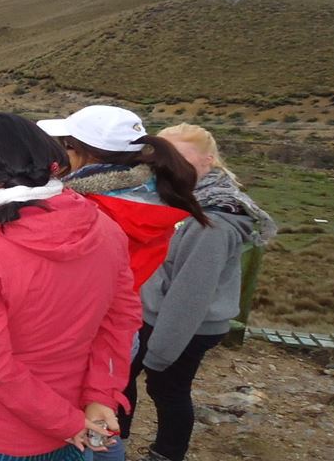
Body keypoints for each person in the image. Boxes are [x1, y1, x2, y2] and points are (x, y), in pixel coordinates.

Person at [0, 113, 140, 461]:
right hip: (73, 410)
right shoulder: (105, 228)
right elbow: (121, 321)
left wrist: (67, 422)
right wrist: (101, 394)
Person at [37, 105, 210, 461]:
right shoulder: (153, 196)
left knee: (67, 426)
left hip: (77, 331)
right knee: (99, 415)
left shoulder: (88, 208)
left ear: (78, 151)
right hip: (120, 329)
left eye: (62, 146)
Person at [100, 123, 274, 461]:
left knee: (167, 389)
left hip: (185, 326)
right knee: (126, 380)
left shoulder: (213, 221)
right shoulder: (182, 199)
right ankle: (116, 441)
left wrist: (160, 354)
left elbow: (190, 295)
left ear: (208, 160)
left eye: (178, 156)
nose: (165, 163)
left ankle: (164, 453)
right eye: (160, 155)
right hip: (155, 315)